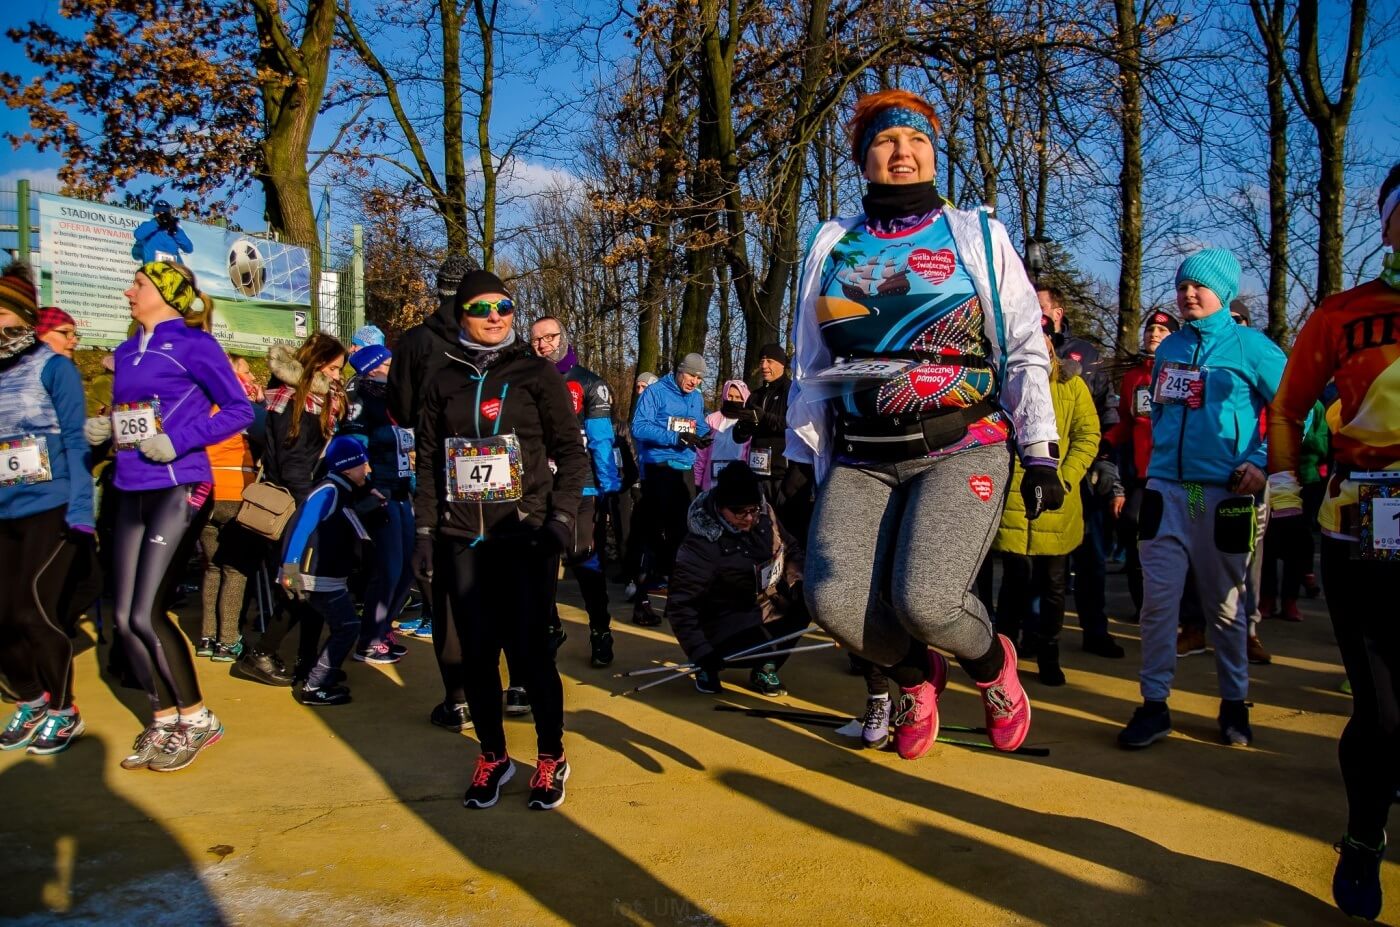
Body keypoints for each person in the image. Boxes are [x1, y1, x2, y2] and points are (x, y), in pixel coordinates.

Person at [789, 89, 1061, 760]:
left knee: (927, 602)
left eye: (916, 141)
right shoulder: (834, 243)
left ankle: (993, 665)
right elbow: (809, 360)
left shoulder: (974, 234)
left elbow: (1025, 343)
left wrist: (1041, 449)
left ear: (934, 156)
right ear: (864, 159)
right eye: (886, 141)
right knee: (831, 599)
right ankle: (916, 675)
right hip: (862, 454)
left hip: (961, 442)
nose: (902, 151)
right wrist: (799, 456)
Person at [1267, 162, 1400, 921]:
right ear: (1385, 223)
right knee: (1382, 713)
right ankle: (1364, 835)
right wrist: (1287, 495)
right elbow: (1287, 406)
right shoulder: (1346, 312)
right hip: (1366, 518)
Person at [413, 270, 588, 811]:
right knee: (476, 656)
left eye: (505, 307)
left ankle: (550, 755)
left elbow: (573, 454)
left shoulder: (535, 373)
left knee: (532, 655)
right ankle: (493, 754)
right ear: (460, 315)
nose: (495, 317)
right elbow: (426, 465)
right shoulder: (442, 379)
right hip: (463, 537)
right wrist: (423, 530)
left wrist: (560, 520)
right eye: (482, 308)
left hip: (524, 535)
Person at [83, 261, 253, 771]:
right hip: (130, 486)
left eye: (138, 284)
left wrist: (176, 442)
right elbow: (138, 418)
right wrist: (106, 431)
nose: (128, 291)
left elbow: (239, 410)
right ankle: (163, 720)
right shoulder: (125, 351)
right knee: (122, 616)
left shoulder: (196, 344)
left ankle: (198, 718)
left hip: (180, 484)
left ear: (165, 294)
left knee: (145, 613)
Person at [1116, 248, 1286, 750]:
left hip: (1222, 495)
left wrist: (1260, 461)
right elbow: (1163, 413)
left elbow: (1297, 412)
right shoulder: (1168, 350)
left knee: (1227, 608)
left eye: (1199, 286)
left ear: (1224, 291)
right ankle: (1154, 705)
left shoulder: (1253, 348)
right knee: (1158, 604)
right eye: (1182, 285)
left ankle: (1235, 703)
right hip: (1172, 492)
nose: (1188, 294)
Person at [0, 263, 94, 755]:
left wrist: (81, 510)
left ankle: (64, 709)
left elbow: (77, 441)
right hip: (4, 511)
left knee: (33, 611)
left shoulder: (52, 367)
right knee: (2, 617)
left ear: (21, 317)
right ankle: (31, 700)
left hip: (50, 505)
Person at [386, 253, 476, 731]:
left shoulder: (418, 341)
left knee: (446, 591)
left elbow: (398, 408)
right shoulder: (500, 341)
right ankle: (514, 684)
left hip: (440, 474)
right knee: (496, 585)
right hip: (499, 481)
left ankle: (459, 698)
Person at [989, 324, 1102, 685]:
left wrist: (1064, 478)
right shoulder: (1002, 384)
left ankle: (1048, 651)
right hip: (1012, 500)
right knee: (1013, 583)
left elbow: (1088, 435)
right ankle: (1005, 656)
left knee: (1053, 585)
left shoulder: (1071, 386)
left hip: (1059, 502)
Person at [234, 332, 348, 687]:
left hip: (308, 503)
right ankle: (262, 653)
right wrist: (309, 505)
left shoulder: (316, 400)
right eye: (332, 368)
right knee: (297, 588)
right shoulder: (293, 402)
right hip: (295, 507)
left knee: (310, 586)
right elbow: (291, 460)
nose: (337, 375)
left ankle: (306, 659)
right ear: (315, 365)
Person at [528, 316, 622, 667]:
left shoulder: (589, 383)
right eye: (536, 340)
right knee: (538, 563)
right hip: (539, 490)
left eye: (549, 337)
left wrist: (608, 487)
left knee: (584, 559)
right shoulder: (526, 381)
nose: (543, 345)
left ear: (563, 338)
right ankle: (550, 627)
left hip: (581, 488)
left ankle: (601, 630)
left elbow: (601, 440)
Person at [666, 462, 806, 696]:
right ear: (721, 507)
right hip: (721, 621)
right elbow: (681, 604)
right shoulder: (700, 545)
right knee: (757, 644)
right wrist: (700, 652)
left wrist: (796, 581)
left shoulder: (765, 514)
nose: (749, 518)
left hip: (765, 603)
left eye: (753, 509)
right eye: (740, 512)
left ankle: (766, 667)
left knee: (807, 603)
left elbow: (791, 548)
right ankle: (706, 666)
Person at [279, 436, 386, 706]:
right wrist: (289, 570)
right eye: (363, 464)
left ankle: (322, 671)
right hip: (315, 575)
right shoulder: (328, 491)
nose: (368, 469)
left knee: (341, 625)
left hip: (328, 576)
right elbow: (301, 528)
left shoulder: (343, 488)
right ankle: (315, 685)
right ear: (348, 467)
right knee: (348, 626)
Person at [339, 344, 418, 665]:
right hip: (379, 494)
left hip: (403, 492)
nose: (394, 367)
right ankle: (368, 638)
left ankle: (384, 629)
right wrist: (367, 487)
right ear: (372, 368)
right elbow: (352, 445)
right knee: (388, 567)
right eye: (388, 362)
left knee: (410, 567)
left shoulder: (397, 399)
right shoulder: (361, 398)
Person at [629, 353, 712, 624]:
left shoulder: (697, 397)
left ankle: (676, 601)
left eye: (699, 378)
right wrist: (675, 436)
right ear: (680, 371)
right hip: (659, 467)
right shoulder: (655, 393)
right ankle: (641, 600)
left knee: (682, 535)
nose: (694, 382)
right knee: (653, 533)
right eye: (691, 376)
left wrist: (704, 434)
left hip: (683, 469)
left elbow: (698, 423)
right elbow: (639, 427)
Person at [195, 355, 260, 663]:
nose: (251, 376)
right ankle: (228, 640)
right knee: (235, 570)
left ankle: (207, 637)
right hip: (237, 493)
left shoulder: (201, 402)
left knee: (212, 568)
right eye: (246, 370)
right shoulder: (241, 408)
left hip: (205, 493)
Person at [730, 344, 816, 541]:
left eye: (769, 361)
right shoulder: (755, 395)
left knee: (786, 529)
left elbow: (795, 424)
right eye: (761, 361)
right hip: (757, 474)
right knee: (759, 530)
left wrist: (764, 417)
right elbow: (739, 436)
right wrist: (743, 427)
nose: (764, 365)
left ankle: (791, 569)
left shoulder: (793, 391)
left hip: (784, 474)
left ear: (782, 364)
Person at [694, 379, 752, 491]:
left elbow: (749, 455)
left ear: (744, 398)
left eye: (738, 397)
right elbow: (701, 454)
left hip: (739, 485)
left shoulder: (748, 423)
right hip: (710, 485)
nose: (733, 400)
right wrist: (697, 481)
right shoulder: (711, 419)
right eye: (730, 396)